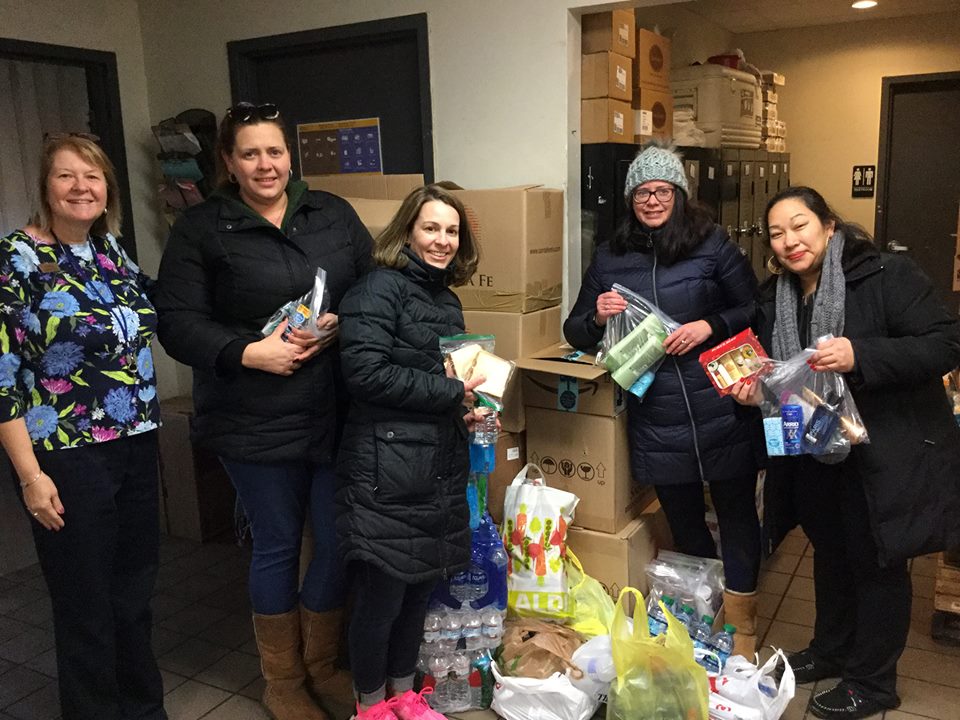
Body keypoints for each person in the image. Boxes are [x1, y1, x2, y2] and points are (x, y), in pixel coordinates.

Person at [154, 102, 373, 720]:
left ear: (289, 155)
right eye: (249, 153)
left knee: (332, 543)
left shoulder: (331, 213)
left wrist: (338, 327)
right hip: (251, 416)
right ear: (228, 162)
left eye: (273, 151)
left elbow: (373, 289)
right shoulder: (201, 229)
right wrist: (249, 353)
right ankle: (282, 683)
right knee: (278, 544)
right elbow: (176, 323)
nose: (264, 164)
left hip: (333, 411)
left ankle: (321, 668)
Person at [730, 186, 960, 719]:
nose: (790, 241)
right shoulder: (777, 296)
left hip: (883, 449)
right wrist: (755, 389)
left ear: (829, 226)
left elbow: (945, 343)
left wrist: (861, 354)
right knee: (830, 553)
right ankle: (832, 649)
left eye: (800, 225)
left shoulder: (884, 276)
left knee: (878, 562)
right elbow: (781, 376)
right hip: (814, 448)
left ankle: (873, 683)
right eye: (777, 233)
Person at [564, 141, 762, 657]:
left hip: (721, 403)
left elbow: (752, 306)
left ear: (679, 193)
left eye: (662, 191)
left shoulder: (712, 243)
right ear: (630, 199)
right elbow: (576, 331)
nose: (651, 201)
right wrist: (598, 317)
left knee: (738, 516)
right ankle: (708, 615)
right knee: (686, 524)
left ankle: (744, 631)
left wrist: (707, 325)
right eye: (641, 193)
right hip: (657, 412)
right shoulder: (611, 255)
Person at [0, 135, 165, 720]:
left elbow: (158, 310)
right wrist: (29, 476)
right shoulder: (15, 261)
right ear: (46, 186)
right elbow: (3, 380)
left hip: (137, 444)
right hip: (68, 456)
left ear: (107, 190)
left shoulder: (110, 251)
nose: (81, 187)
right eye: (67, 176)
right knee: (85, 605)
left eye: (92, 177)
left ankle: (145, 711)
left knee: (134, 598)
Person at [335, 185, 485, 720]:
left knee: (419, 590)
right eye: (431, 228)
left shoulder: (445, 298)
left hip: (434, 466)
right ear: (406, 231)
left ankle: (404, 698)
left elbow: (447, 379)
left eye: (451, 231)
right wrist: (450, 393)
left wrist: (466, 408)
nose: (442, 240)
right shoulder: (379, 288)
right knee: (383, 598)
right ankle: (371, 707)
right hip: (385, 468)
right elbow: (364, 373)